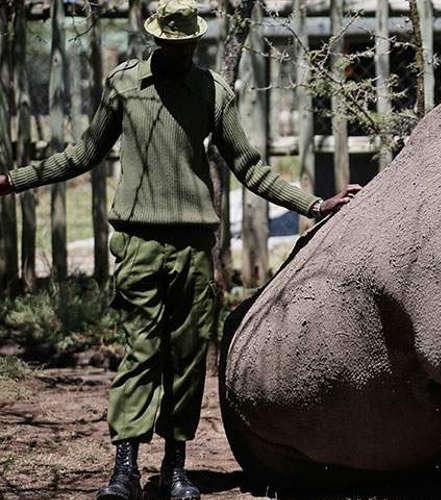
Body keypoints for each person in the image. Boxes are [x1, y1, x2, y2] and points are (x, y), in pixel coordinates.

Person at [0, 1, 361, 498]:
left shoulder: (214, 92)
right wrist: (13, 180)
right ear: (156, 40)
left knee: (187, 359)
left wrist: (315, 203)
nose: (179, 51)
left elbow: (249, 166)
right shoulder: (125, 86)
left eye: (186, 43)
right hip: (139, 243)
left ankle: (175, 468)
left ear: (195, 40)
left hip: (193, 247)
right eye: (170, 44)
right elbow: (83, 154)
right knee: (139, 353)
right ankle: (124, 470)